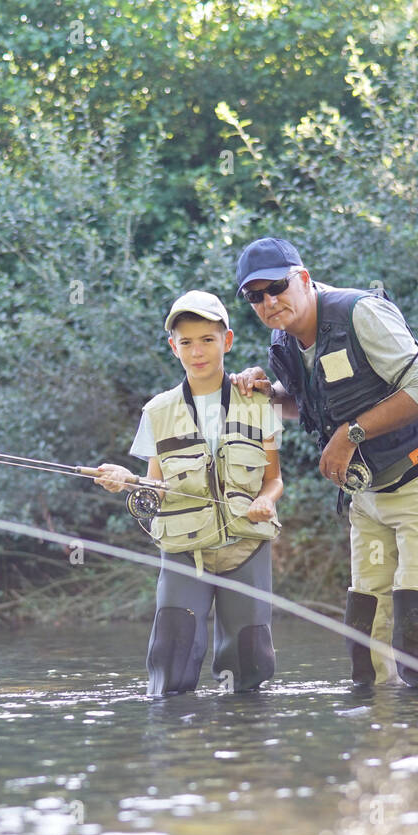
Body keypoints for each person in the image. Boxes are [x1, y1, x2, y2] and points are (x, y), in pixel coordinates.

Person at [229, 237, 418, 689]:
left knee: (414, 622)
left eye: (276, 287)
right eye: (254, 296)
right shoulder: (283, 341)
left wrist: (349, 434)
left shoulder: (359, 312)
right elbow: (313, 405)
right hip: (368, 492)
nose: (268, 302)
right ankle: (379, 746)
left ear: (302, 278)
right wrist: (270, 397)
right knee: (364, 626)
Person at [94, 290, 284, 696]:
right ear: (173, 347)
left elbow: (274, 478)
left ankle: (244, 747)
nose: (197, 351)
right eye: (186, 342)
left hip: (247, 547)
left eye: (207, 340)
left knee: (249, 666)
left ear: (227, 341)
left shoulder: (258, 403)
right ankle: (178, 751)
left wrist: (266, 500)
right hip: (183, 551)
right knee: (173, 662)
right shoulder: (157, 411)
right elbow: (156, 487)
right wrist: (127, 480)